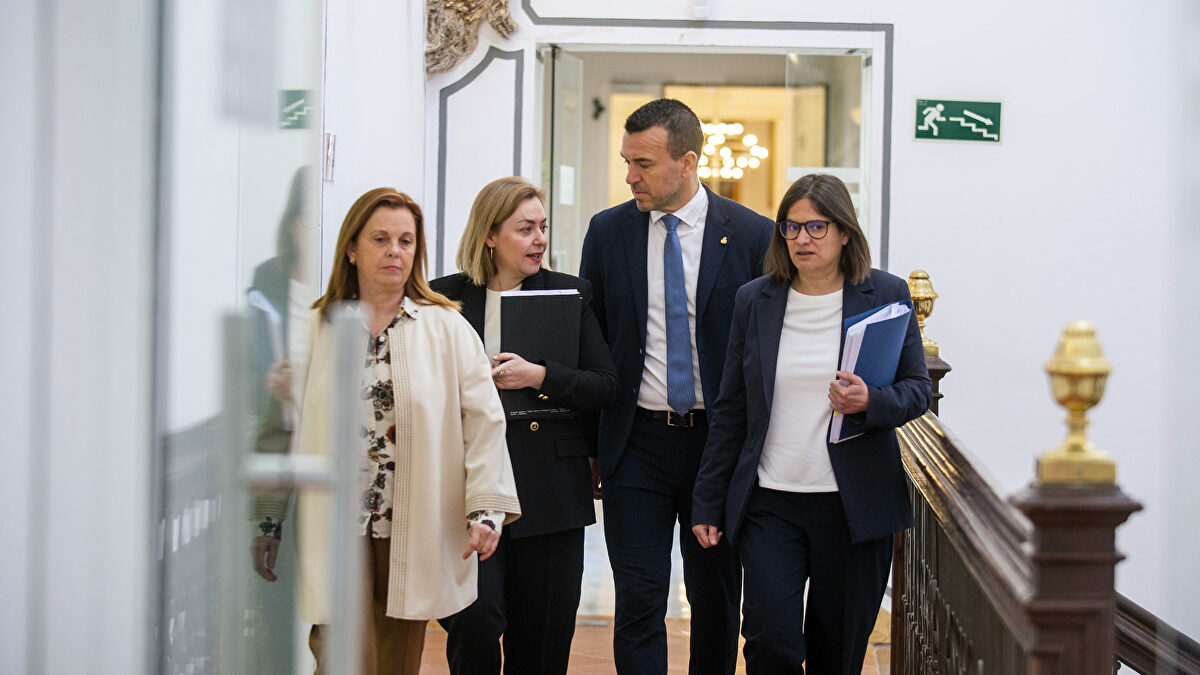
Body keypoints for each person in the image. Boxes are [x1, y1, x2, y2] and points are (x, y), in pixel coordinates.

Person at [251, 187, 522, 675]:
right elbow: (282, 429)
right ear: (352, 249)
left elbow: (483, 424)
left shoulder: (447, 328)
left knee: (394, 662)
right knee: (338, 658)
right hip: (335, 524)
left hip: (413, 524)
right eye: (380, 239)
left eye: (405, 241)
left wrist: (485, 511)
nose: (395, 251)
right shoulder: (318, 327)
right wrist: (268, 520)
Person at [691, 174, 932, 674]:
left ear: (844, 232)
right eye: (791, 227)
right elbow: (731, 408)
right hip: (769, 501)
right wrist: (708, 500)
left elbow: (917, 390)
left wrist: (870, 400)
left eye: (816, 227)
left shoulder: (885, 293)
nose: (802, 238)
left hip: (852, 504)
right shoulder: (755, 299)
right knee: (769, 640)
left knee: (836, 651)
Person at [578, 98, 774, 674]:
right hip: (635, 442)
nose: (630, 176)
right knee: (639, 597)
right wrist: (592, 445)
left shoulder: (752, 235)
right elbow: (594, 341)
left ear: (687, 162)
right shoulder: (608, 232)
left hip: (717, 446)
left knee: (716, 598)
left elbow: (764, 352)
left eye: (644, 163)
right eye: (627, 161)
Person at [430, 176, 618, 674]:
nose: (539, 240)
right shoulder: (442, 299)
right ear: (490, 235)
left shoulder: (570, 293)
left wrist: (538, 376)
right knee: (474, 622)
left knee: (542, 640)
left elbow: (604, 384)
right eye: (525, 229)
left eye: (543, 228)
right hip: (469, 487)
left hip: (551, 487)